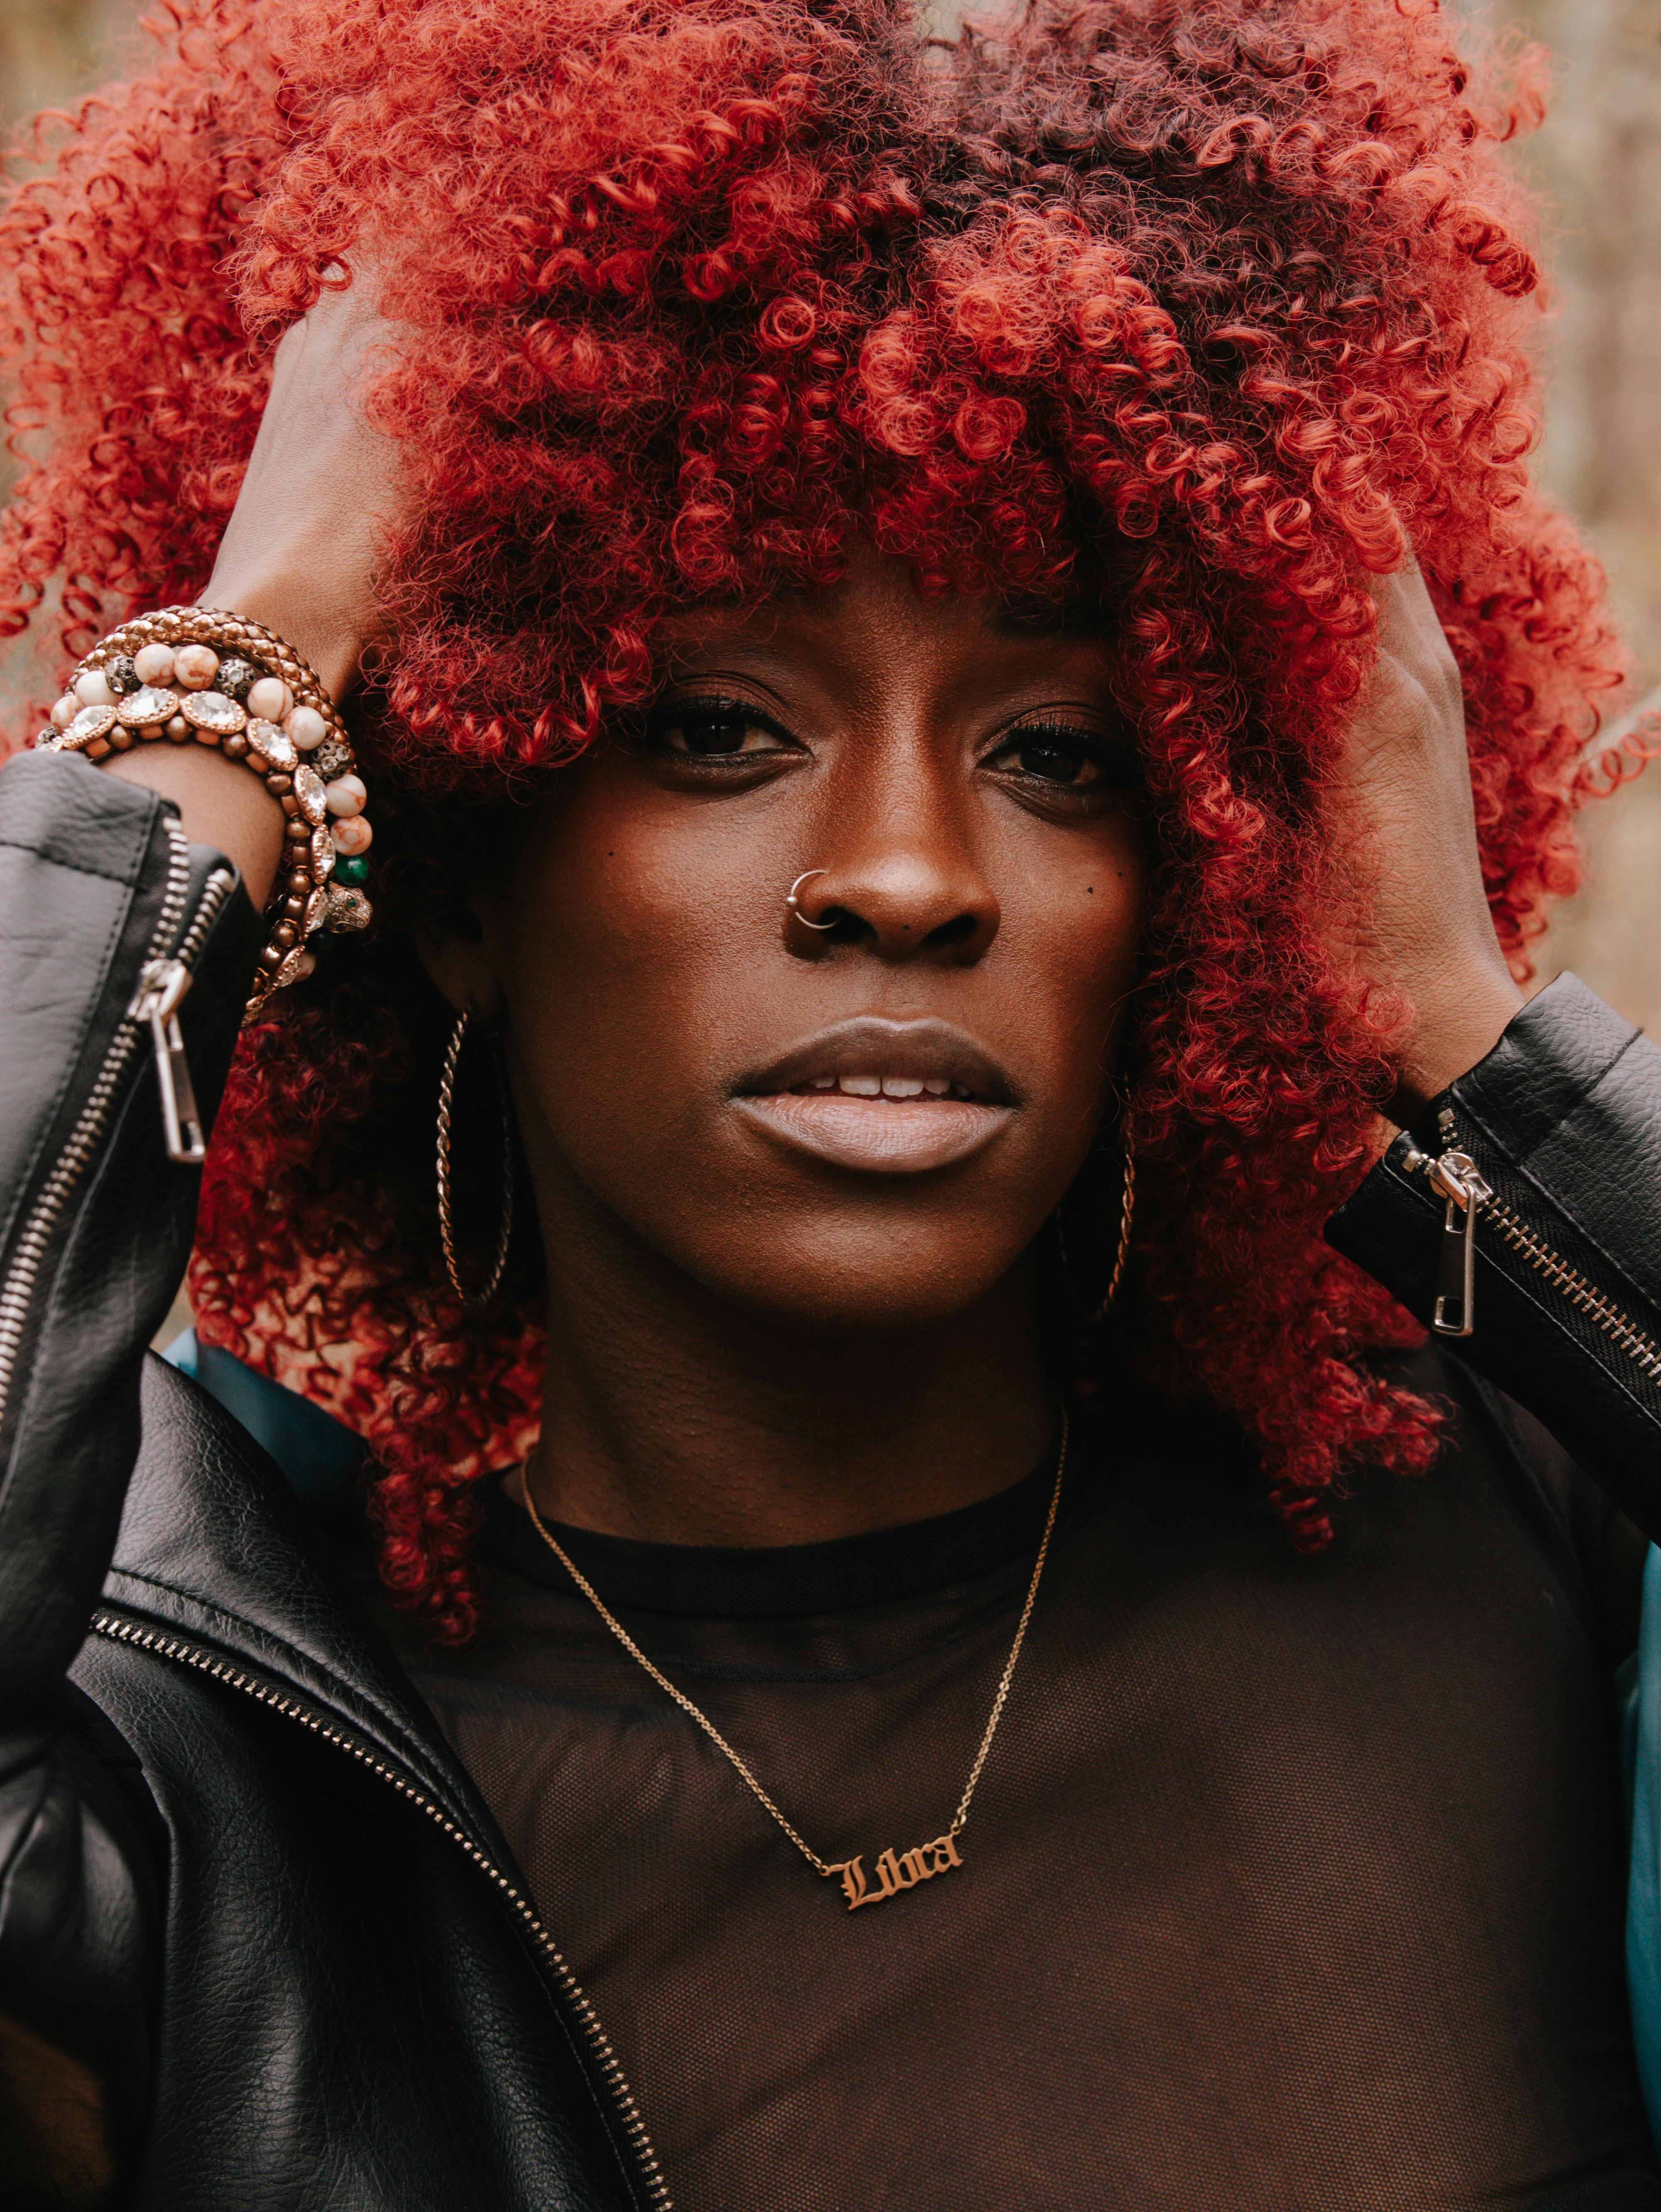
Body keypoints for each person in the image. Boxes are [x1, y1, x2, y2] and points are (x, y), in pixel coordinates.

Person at [3, 0, 1661, 2204]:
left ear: (1213, 873)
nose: (904, 877)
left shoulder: (1538, 1539)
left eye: (1059, 755)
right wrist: (260, 659)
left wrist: (1450, 1033)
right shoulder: (198, 1799)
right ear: (459, 859)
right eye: (714, 729)